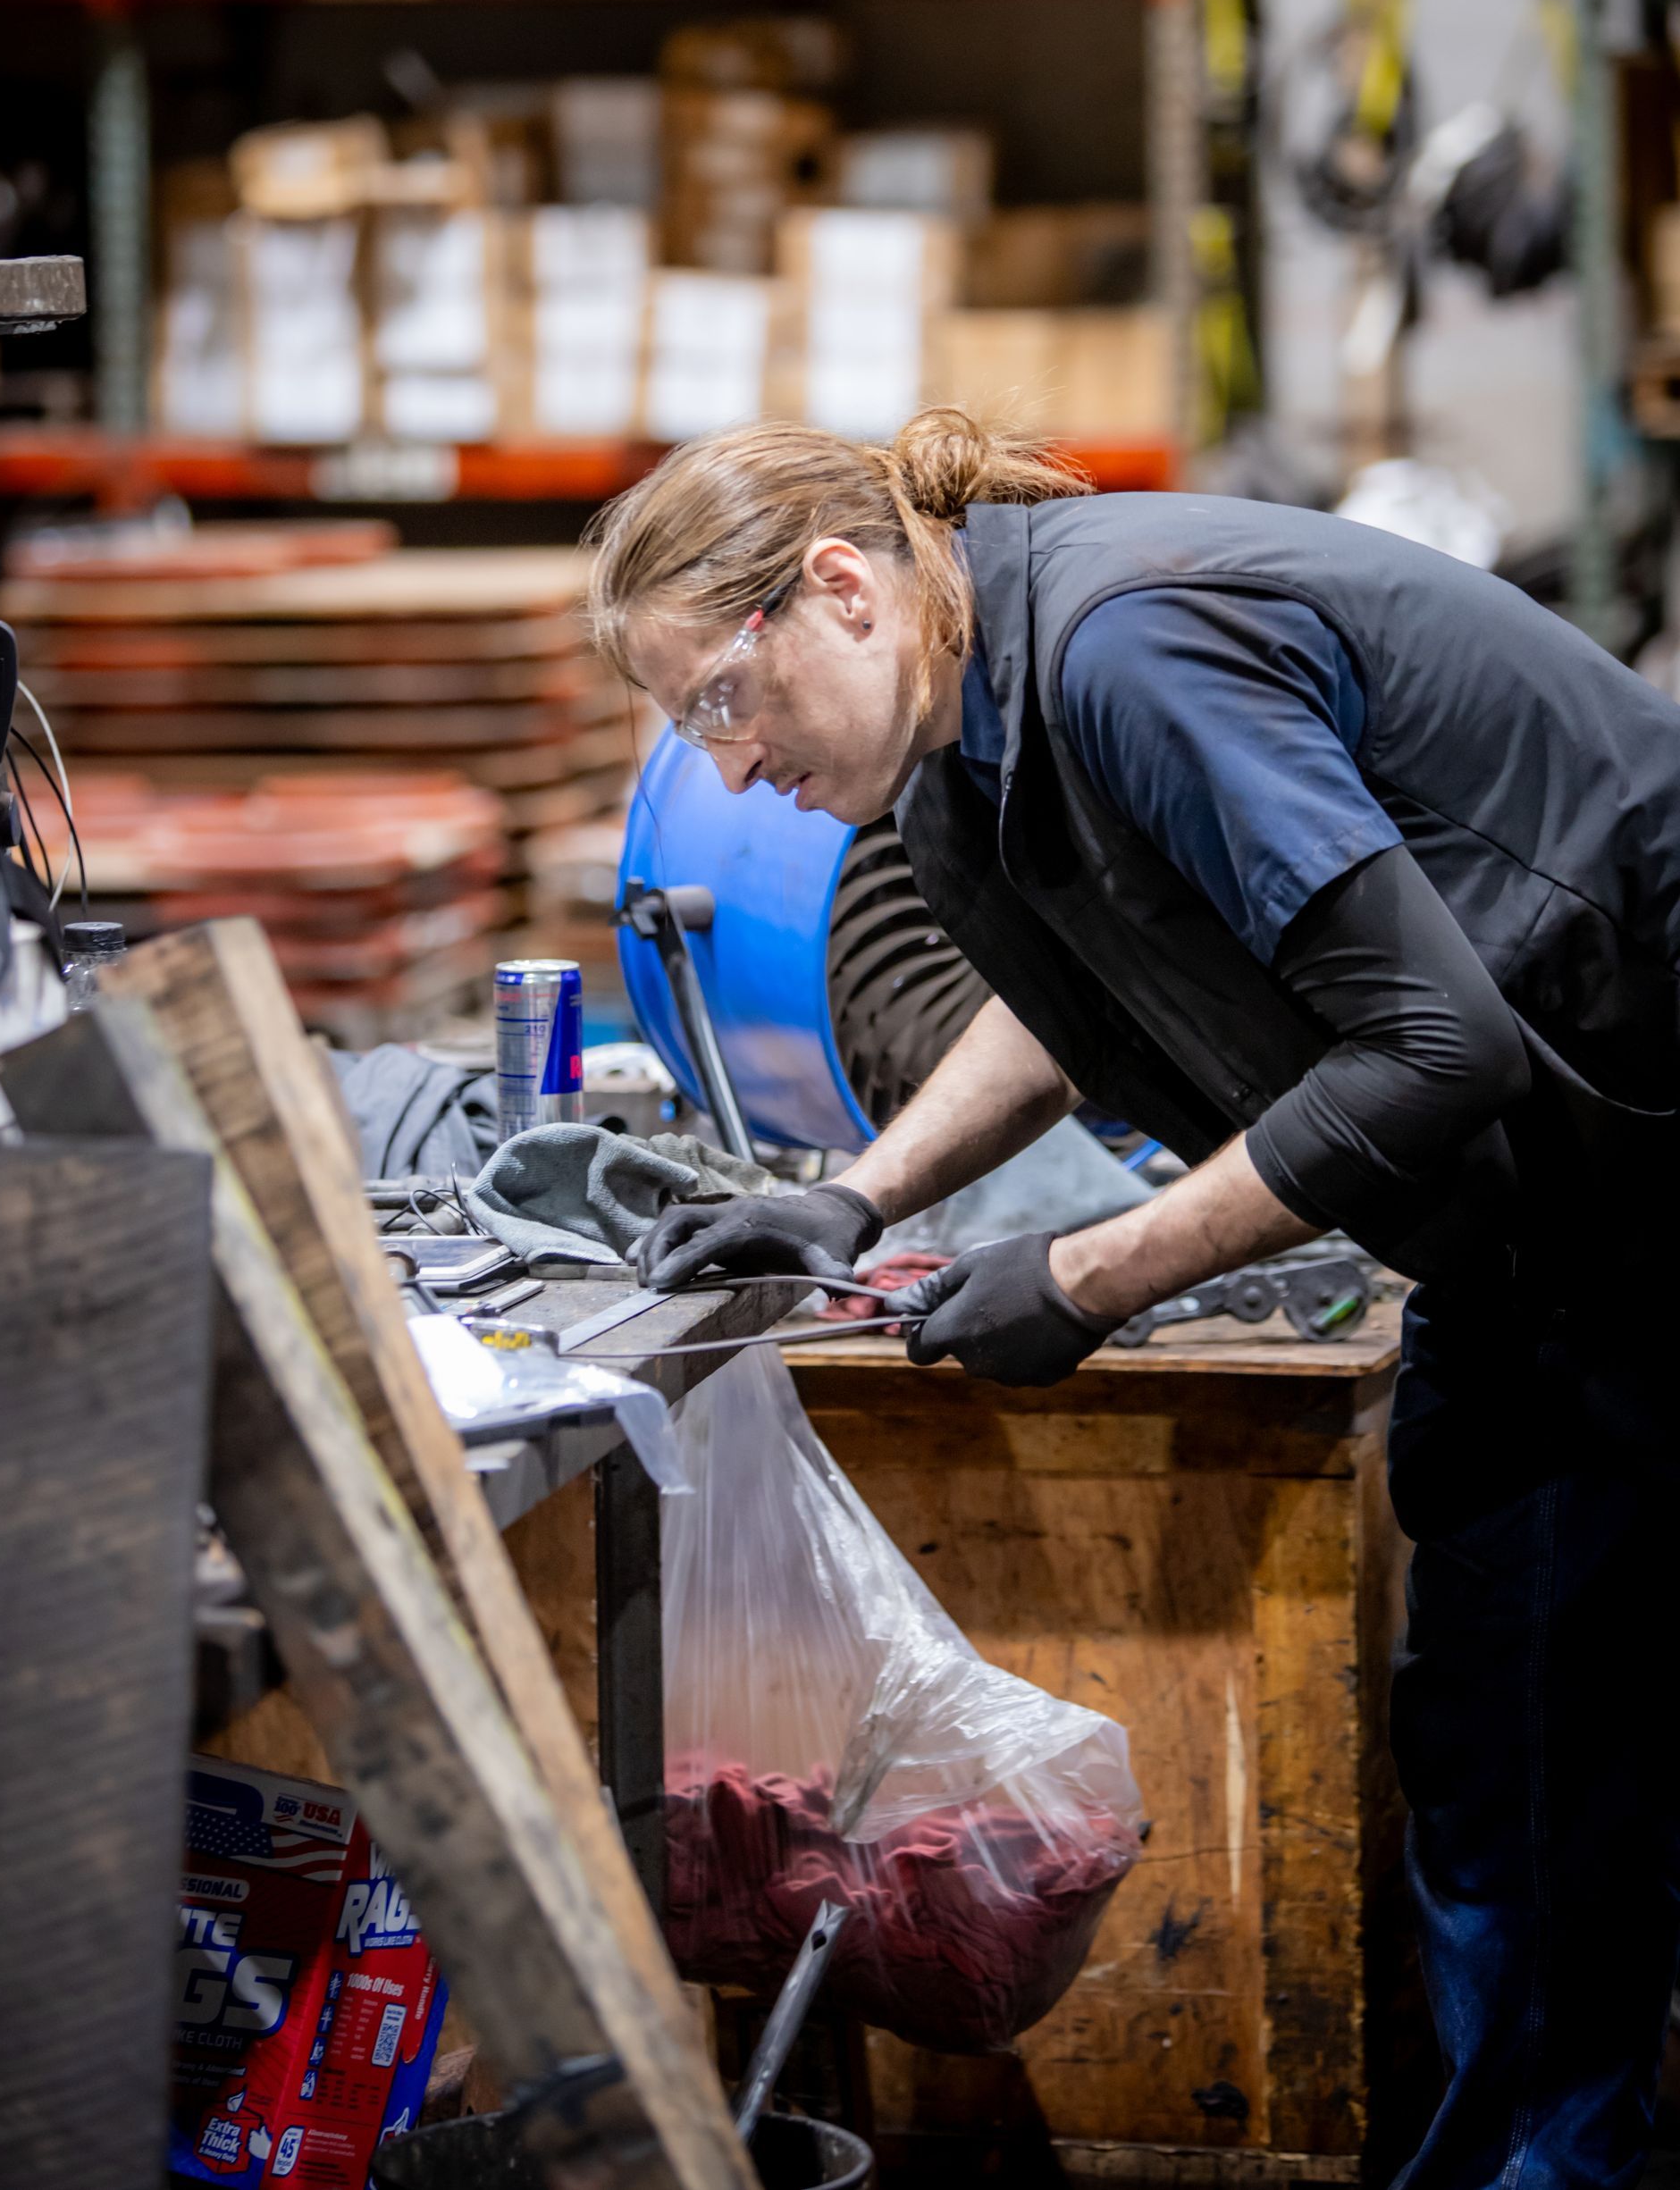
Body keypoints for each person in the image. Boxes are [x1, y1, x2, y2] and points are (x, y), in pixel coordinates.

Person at [585, 407, 1680, 2190]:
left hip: (1631, 1179)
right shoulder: (960, 749)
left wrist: (1088, 1276)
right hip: (1538, 1240)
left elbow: (1435, 1044)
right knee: (1510, 1768)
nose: (726, 764)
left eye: (721, 698)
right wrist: (851, 1198)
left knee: (1560, 1776)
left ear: (839, 588)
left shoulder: (1124, 644)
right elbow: (1077, 991)